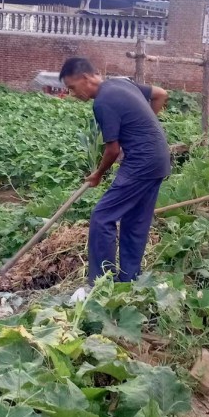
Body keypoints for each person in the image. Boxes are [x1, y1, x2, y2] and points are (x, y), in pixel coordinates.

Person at [59, 57, 171, 285]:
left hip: (141, 162)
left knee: (102, 218)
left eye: (72, 87)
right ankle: (128, 282)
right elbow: (161, 94)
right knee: (136, 221)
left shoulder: (103, 101)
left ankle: (101, 283)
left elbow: (112, 150)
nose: (72, 93)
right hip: (159, 159)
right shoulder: (122, 83)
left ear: (87, 78)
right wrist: (144, 128)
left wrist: (98, 174)